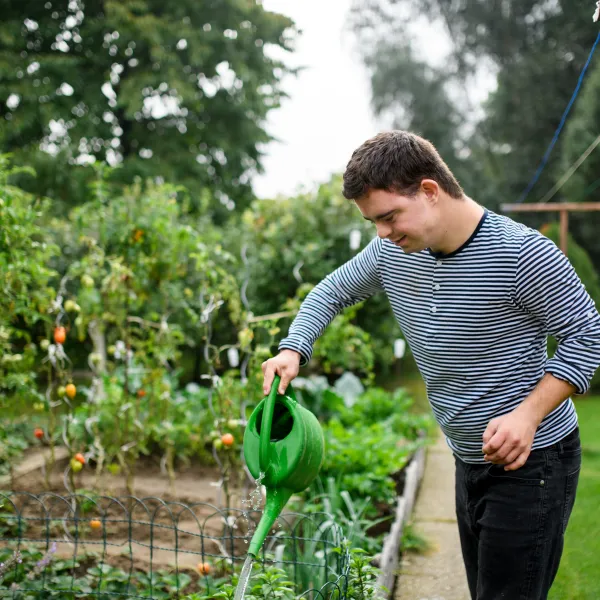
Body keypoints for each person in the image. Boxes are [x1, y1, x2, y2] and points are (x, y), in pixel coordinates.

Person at [260, 130, 600, 600]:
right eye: (373, 222)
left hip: (532, 460)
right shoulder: (391, 253)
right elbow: (329, 291)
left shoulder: (522, 254)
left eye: (388, 216)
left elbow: (587, 337)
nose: (381, 232)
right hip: (468, 455)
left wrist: (528, 414)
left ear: (429, 191)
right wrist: (292, 348)